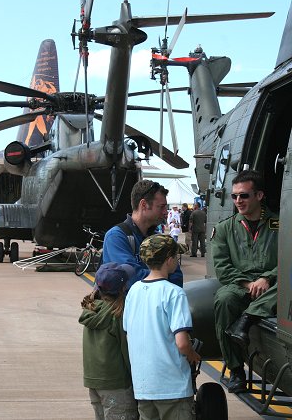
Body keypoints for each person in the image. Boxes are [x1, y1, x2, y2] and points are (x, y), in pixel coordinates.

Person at [211, 170, 279, 394]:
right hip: (240, 285)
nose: (238, 201)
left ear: (259, 196)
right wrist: (248, 284)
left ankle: (247, 320)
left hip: (273, 285)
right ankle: (237, 371)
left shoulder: (281, 225)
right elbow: (222, 267)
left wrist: (267, 277)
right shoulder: (225, 229)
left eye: (244, 196)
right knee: (223, 299)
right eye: (234, 196)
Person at [123, 234, 200, 420]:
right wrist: (193, 355)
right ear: (169, 260)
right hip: (172, 387)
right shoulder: (174, 293)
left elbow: (128, 332)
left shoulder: (133, 291)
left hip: (143, 387)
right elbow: (182, 344)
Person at [79, 262, 139, 420]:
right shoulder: (118, 315)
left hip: (94, 381)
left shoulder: (92, 309)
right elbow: (127, 352)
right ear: (123, 287)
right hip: (116, 384)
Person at [102, 180, 183, 289]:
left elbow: (177, 277)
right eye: (161, 207)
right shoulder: (116, 237)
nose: (165, 212)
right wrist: (164, 276)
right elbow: (131, 279)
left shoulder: (159, 239)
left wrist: (152, 277)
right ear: (144, 205)